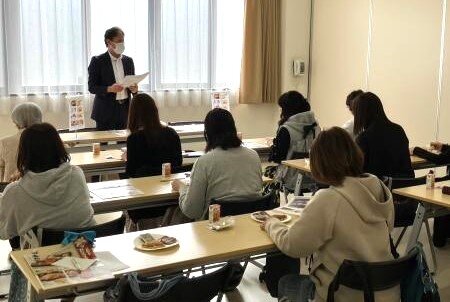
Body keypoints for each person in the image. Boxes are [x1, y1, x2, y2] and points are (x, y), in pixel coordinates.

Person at [262, 127, 398, 302]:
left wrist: (271, 224)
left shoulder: (329, 199)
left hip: (344, 293)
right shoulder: (379, 188)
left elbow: (293, 246)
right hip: (386, 289)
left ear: (319, 163)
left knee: (287, 282)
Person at [0, 123, 95, 241]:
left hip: (36, 257)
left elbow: (4, 233)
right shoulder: (77, 174)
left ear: (24, 153)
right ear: (59, 147)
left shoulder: (14, 192)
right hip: (83, 253)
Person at [172, 108, 262, 220]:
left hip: (214, 227)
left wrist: (182, 188)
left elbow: (192, 211)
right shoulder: (253, 156)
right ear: (233, 129)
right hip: (249, 224)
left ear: (207, 134)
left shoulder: (204, 162)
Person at [353, 92, 414, 179]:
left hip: (377, 188)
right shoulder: (398, 130)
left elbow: (359, 171)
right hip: (402, 185)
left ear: (359, 113)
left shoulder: (364, 138)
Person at [88, 26, 138, 130]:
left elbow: (132, 84)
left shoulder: (128, 61)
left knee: (123, 143)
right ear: (109, 42)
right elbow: (92, 87)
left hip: (124, 110)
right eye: (119, 41)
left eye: (123, 41)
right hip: (104, 110)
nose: (122, 44)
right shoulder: (97, 61)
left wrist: (134, 89)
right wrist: (109, 89)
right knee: (103, 143)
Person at [269, 91, 320, 191]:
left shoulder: (286, 129)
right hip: (314, 177)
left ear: (287, 109)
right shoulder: (316, 126)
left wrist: (272, 151)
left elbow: (279, 158)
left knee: (267, 174)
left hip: (290, 177)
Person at [126, 93, 182, 178]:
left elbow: (131, 172)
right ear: (154, 110)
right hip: (168, 183)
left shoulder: (134, 138)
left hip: (144, 186)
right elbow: (178, 163)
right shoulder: (171, 133)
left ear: (133, 114)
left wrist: (127, 157)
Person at [0, 102, 42, 182]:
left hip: (11, 188)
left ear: (16, 121)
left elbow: (1, 172)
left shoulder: (4, 143)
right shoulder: (50, 140)